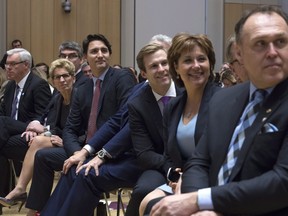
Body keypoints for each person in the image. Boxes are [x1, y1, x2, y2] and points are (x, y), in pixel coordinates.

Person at [149, 5, 288, 216]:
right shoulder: (224, 99)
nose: (272, 52)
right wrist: (198, 208)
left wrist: (202, 201)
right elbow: (199, 161)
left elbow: (282, 182)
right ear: (239, 53)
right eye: (260, 44)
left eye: (281, 42)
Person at [24, 34, 136, 215]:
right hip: (84, 150)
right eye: (94, 51)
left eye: (104, 50)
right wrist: (77, 152)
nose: (100, 54)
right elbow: (70, 128)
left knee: (76, 172)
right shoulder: (82, 89)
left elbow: (122, 122)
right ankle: (37, 211)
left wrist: (89, 153)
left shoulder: (121, 77)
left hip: (113, 151)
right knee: (48, 158)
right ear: (85, 58)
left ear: (110, 54)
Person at [139, 33, 221, 216]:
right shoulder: (173, 107)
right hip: (179, 178)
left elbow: (219, 156)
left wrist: (187, 182)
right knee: (147, 203)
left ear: (210, 63)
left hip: (211, 180)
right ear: (176, 67)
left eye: (202, 59)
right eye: (188, 60)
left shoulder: (221, 100)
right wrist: (175, 177)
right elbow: (168, 155)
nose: (196, 66)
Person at [0, 58, 75, 212]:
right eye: (57, 77)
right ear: (52, 81)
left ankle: (20, 189)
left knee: (38, 144)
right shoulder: (58, 98)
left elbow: (85, 128)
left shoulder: (80, 97)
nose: (62, 80)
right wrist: (40, 130)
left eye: (66, 76)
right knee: (37, 144)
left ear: (73, 77)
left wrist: (63, 140)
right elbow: (52, 125)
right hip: (54, 138)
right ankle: (29, 204)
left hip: (75, 144)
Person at [124, 43, 182, 215]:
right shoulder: (137, 105)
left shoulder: (188, 91)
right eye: (154, 66)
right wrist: (170, 169)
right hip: (159, 165)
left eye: (164, 63)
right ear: (143, 74)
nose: (161, 69)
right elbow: (144, 153)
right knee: (143, 192)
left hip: (193, 162)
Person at [0, 48, 52, 214]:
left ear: (26, 65)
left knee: (2, 122)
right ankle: (4, 197)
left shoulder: (38, 84)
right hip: (10, 135)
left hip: (32, 135)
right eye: (6, 64)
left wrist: (34, 127)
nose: (8, 67)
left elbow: (45, 115)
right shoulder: (9, 87)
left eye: (12, 64)